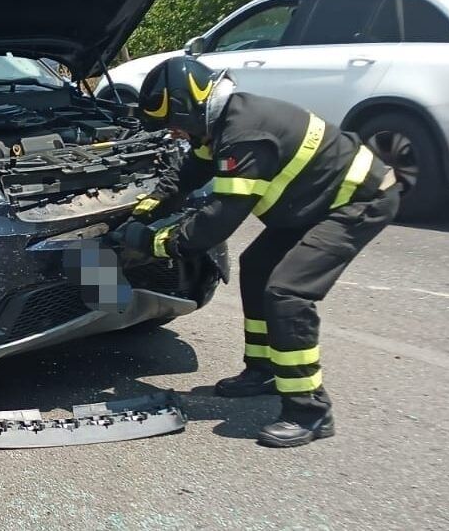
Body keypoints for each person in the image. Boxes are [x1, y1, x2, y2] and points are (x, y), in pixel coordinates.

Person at [116, 57, 400, 447]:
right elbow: (189, 171)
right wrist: (149, 205)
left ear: (191, 107)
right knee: (256, 266)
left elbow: (217, 221)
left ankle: (309, 410)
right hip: (318, 200)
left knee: (287, 293)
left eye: (175, 123)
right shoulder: (220, 124)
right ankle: (263, 370)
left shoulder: (244, 136)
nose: (176, 133)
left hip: (357, 202)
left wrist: (150, 242)